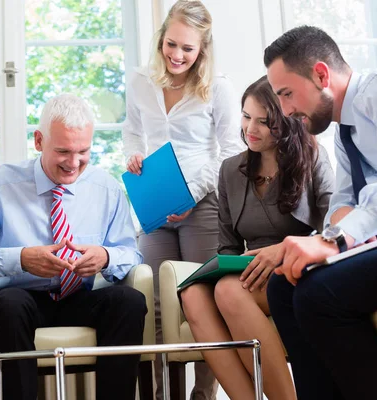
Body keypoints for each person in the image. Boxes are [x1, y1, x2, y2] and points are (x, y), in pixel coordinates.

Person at [0, 93, 147, 400]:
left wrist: (106, 257)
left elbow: (130, 252)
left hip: (80, 297)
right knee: (11, 305)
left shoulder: (106, 188)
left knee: (130, 301)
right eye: (64, 151)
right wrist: (21, 259)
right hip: (21, 297)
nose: (74, 163)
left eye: (83, 152)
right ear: (39, 141)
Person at [263, 25, 377, 400]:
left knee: (319, 295)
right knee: (284, 286)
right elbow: (343, 201)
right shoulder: (343, 132)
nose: (285, 111)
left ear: (321, 74)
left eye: (287, 94)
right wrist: (329, 233)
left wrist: (335, 239)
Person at [180, 75, 334, 400]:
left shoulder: (313, 160)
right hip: (251, 273)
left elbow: (334, 229)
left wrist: (279, 251)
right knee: (193, 294)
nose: (251, 128)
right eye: (247, 116)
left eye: (264, 122)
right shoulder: (229, 170)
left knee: (227, 290)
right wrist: (226, 264)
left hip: (296, 272)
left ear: (286, 124)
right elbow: (228, 246)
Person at [122, 1, 244, 397]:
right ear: (161, 39)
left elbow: (229, 151)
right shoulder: (140, 80)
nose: (176, 56)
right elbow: (133, 133)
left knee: (202, 301)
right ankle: (159, 394)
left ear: (202, 50)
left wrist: (192, 195)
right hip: (155, 200)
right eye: (171, 44)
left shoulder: (218, 87)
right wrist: (134, 156)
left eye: (187, 49)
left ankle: (203, 394)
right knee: (154, 302)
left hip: (204, 201)